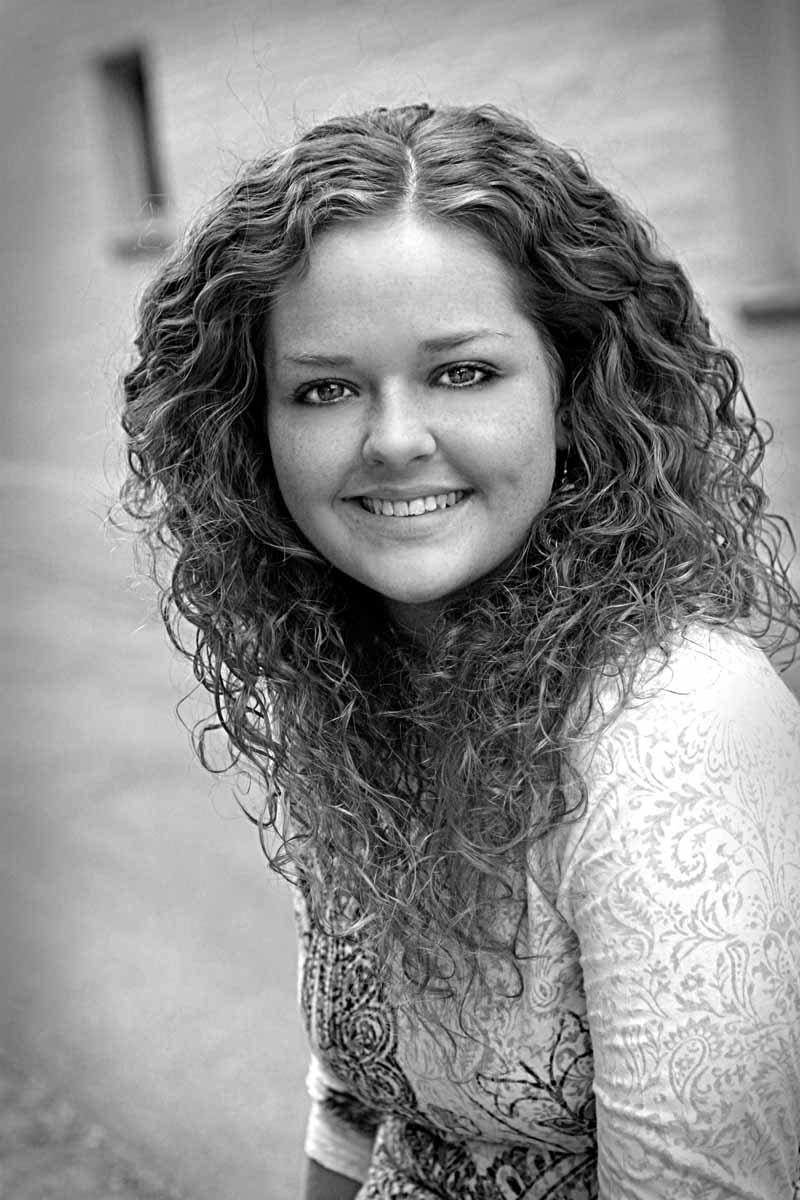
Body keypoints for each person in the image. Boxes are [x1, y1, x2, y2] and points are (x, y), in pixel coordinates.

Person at [119, 102, 800, 1198]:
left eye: (463, 373)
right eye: (326, 389)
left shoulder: (676, 720)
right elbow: (355, 1098)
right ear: (254, 431)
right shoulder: (358, 677)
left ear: (576, 390)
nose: (394, 440)